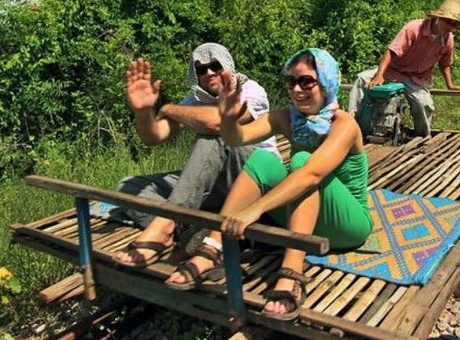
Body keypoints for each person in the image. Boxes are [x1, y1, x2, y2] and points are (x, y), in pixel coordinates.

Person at [165, 48, 372, 321]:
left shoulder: (343, 124)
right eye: (291, 82)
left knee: (300, 161)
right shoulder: (287, 117)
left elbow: (311, 174)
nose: (297, 90)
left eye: (306, 81)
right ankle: (212, 248)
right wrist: (228, 117)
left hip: (347, 227)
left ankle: (292, 271)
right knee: (263, 159)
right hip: (305, 219)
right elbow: (237, 138)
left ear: (327, 82)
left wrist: (255, 209)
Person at [112, 43, 277, 267]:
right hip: (217, 183)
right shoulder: (194, 101)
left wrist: (168, 108)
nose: (208, 73)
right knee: (129, 187)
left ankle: (168, 223)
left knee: (216, 135)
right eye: (201, 69)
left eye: (215, 66)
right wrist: (143, 113)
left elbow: (216, 123)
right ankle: (193, 231)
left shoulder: (249, 89)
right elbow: (154, 136)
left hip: (254, 176)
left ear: (227, 65)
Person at [347, 0, 460, 137]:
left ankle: (423, 137)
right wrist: (379, 74)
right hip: (394, 70)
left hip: (417, 78)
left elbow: (445, 63)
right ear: (438, 18)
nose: (449, 27)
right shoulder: (414, 28)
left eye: (453, 24)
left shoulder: (448, 39)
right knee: (362, 79)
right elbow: (392, 51)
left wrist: (450, 84)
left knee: (423, 104)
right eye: (448, 22)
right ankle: (351, 126)